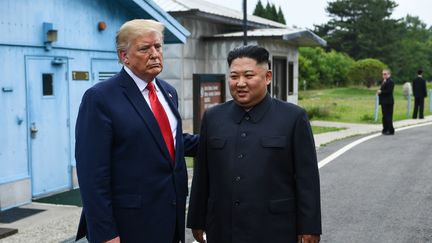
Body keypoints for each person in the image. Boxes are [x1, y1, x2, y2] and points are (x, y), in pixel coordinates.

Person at [75, 19, 199, 243]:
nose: (154, 54)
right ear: (124, 56)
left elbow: (166, 141)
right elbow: (92, 174)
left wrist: (224, 138)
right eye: (144, 48)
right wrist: (105, 233)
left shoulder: (168, 92)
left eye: (158, 47)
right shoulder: (101, 98)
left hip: (170, 218)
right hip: (129, 225)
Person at [187, 45, 321, 243]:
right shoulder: (213, 117)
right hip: (223, 229)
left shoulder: (293, 118)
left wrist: (310, 227)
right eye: (234, 76)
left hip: (275, 228)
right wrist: (196, 219)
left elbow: (306, 178)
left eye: (248, 76)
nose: (240, 83)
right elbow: (202, 174)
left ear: (267, 77)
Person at [377, 69, 395, 135]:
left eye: (385, 74)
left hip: (388, 102)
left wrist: (381, 92)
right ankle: (385, 129)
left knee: (388, 116)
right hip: (384, 102)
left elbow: (389, 91)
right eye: (383, 74)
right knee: (384, 116)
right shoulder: (384, 81)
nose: (383, 75)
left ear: (389, 74)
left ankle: (390, 130)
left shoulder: (390, 82)